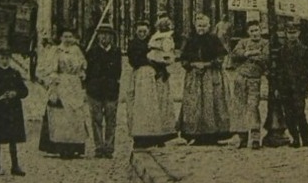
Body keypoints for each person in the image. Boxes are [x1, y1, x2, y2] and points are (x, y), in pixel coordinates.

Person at [178, 13, 231, 145]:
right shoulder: (190, 40)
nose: (201, 28)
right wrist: (192, 64)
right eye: (199, 26)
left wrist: (208, 64)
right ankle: (196, 134)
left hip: (211, 75)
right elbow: (183, 59)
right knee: (194, 103)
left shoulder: (214, 40)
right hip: (194, 76)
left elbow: (220, 57)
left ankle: (213, 135)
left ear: (209, 26)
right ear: (195, 26)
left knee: (212, 103)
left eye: (204, 26)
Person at [38, 28, 88, 158]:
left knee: (75, 114)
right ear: (61, 38)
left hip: (75, 85)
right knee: (62, 115)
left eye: (70, 36)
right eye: (65, 36)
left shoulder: (77, 51)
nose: (68, 39)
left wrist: (82, 73)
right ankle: (61, 147)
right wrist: (54, 82)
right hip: (62, 83)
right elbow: (51, 68)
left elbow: (83, 65)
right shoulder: (56, 51)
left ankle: (75, 147)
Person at [127, 20, 176, 149]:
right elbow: (134, 60)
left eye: (144, 31)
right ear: (136, 32)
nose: (142, 34)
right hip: (142, 77)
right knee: (143, 106)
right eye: (140, 32)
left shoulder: (155, 42)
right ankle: (141, 136)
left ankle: (159, 135)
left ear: (149, 31)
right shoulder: (133, 44)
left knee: (159, 105)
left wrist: (161, 66)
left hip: (157, 76)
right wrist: (150, 61)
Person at [227, 20, 270, 149]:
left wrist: (248, 56)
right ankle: (242, 136)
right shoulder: (243, 42)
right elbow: (234, 55)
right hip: (240, 78)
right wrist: (248, 53)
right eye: (252, 31)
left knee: (253, 106)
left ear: (261, 31)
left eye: (257, 30)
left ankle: (255, 137)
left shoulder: (265, 43)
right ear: (248, 32)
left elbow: (265, 58)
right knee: (240, 106)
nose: (255, 33)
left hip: (254, 79)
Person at [83, 24, 123, 158]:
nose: (105, 37)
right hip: (94, 90)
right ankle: (99, 147)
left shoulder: (116, 52)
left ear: (112, 37)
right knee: (96, 119)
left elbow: (118, 71)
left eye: (108, 35)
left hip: (111, 90)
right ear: (98, 36)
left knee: (111, 119)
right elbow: (86, 70)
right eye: (102, 34)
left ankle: (109, 147)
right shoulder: (91, 52)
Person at [275, 21, 308, 147]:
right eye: (289, 33)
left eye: (294, 33)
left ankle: (305, 138)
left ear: (299, 33)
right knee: (289, 114)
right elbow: (279, 71)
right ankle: (295, 139)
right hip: (285, 87)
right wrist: (278, 87)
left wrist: (306, 87)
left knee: (300, 113)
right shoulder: (282, 51)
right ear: (286, 34)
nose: (292, 35)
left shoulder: (304, 50)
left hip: (299, 87)